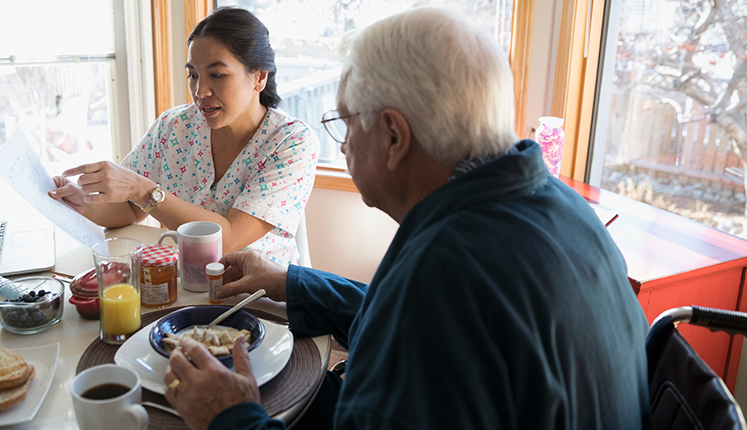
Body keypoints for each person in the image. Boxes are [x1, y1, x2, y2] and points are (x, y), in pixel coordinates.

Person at [161, 6, 650, 430]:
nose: (345, 143)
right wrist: (292, 282)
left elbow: (425, 313)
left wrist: (230, 418)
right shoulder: (555, 206)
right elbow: (402, 316)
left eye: (346, 123)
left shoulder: (443, 274)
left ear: (394, 136)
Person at [49, 7, 318, 267]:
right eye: (193, 75)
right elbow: (130, 210)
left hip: (258, 296)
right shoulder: (173, 126)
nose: (200, 91)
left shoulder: (292, 143)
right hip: (185, 284)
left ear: (259, 77)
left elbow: (230, 237)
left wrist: (144, 190)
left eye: (217, 75)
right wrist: (86, 202)